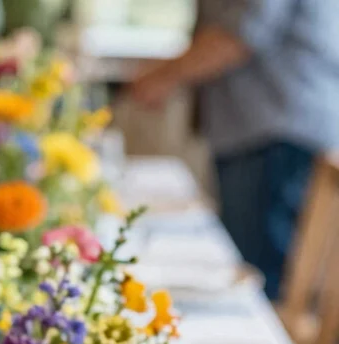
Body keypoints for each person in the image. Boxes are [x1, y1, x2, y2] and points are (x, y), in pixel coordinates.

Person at [130, 1, 339, 300]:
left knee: (260, 282)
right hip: (266, 127)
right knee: (249, 269)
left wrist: (162, 76)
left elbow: (241, 31)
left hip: (276, 130)